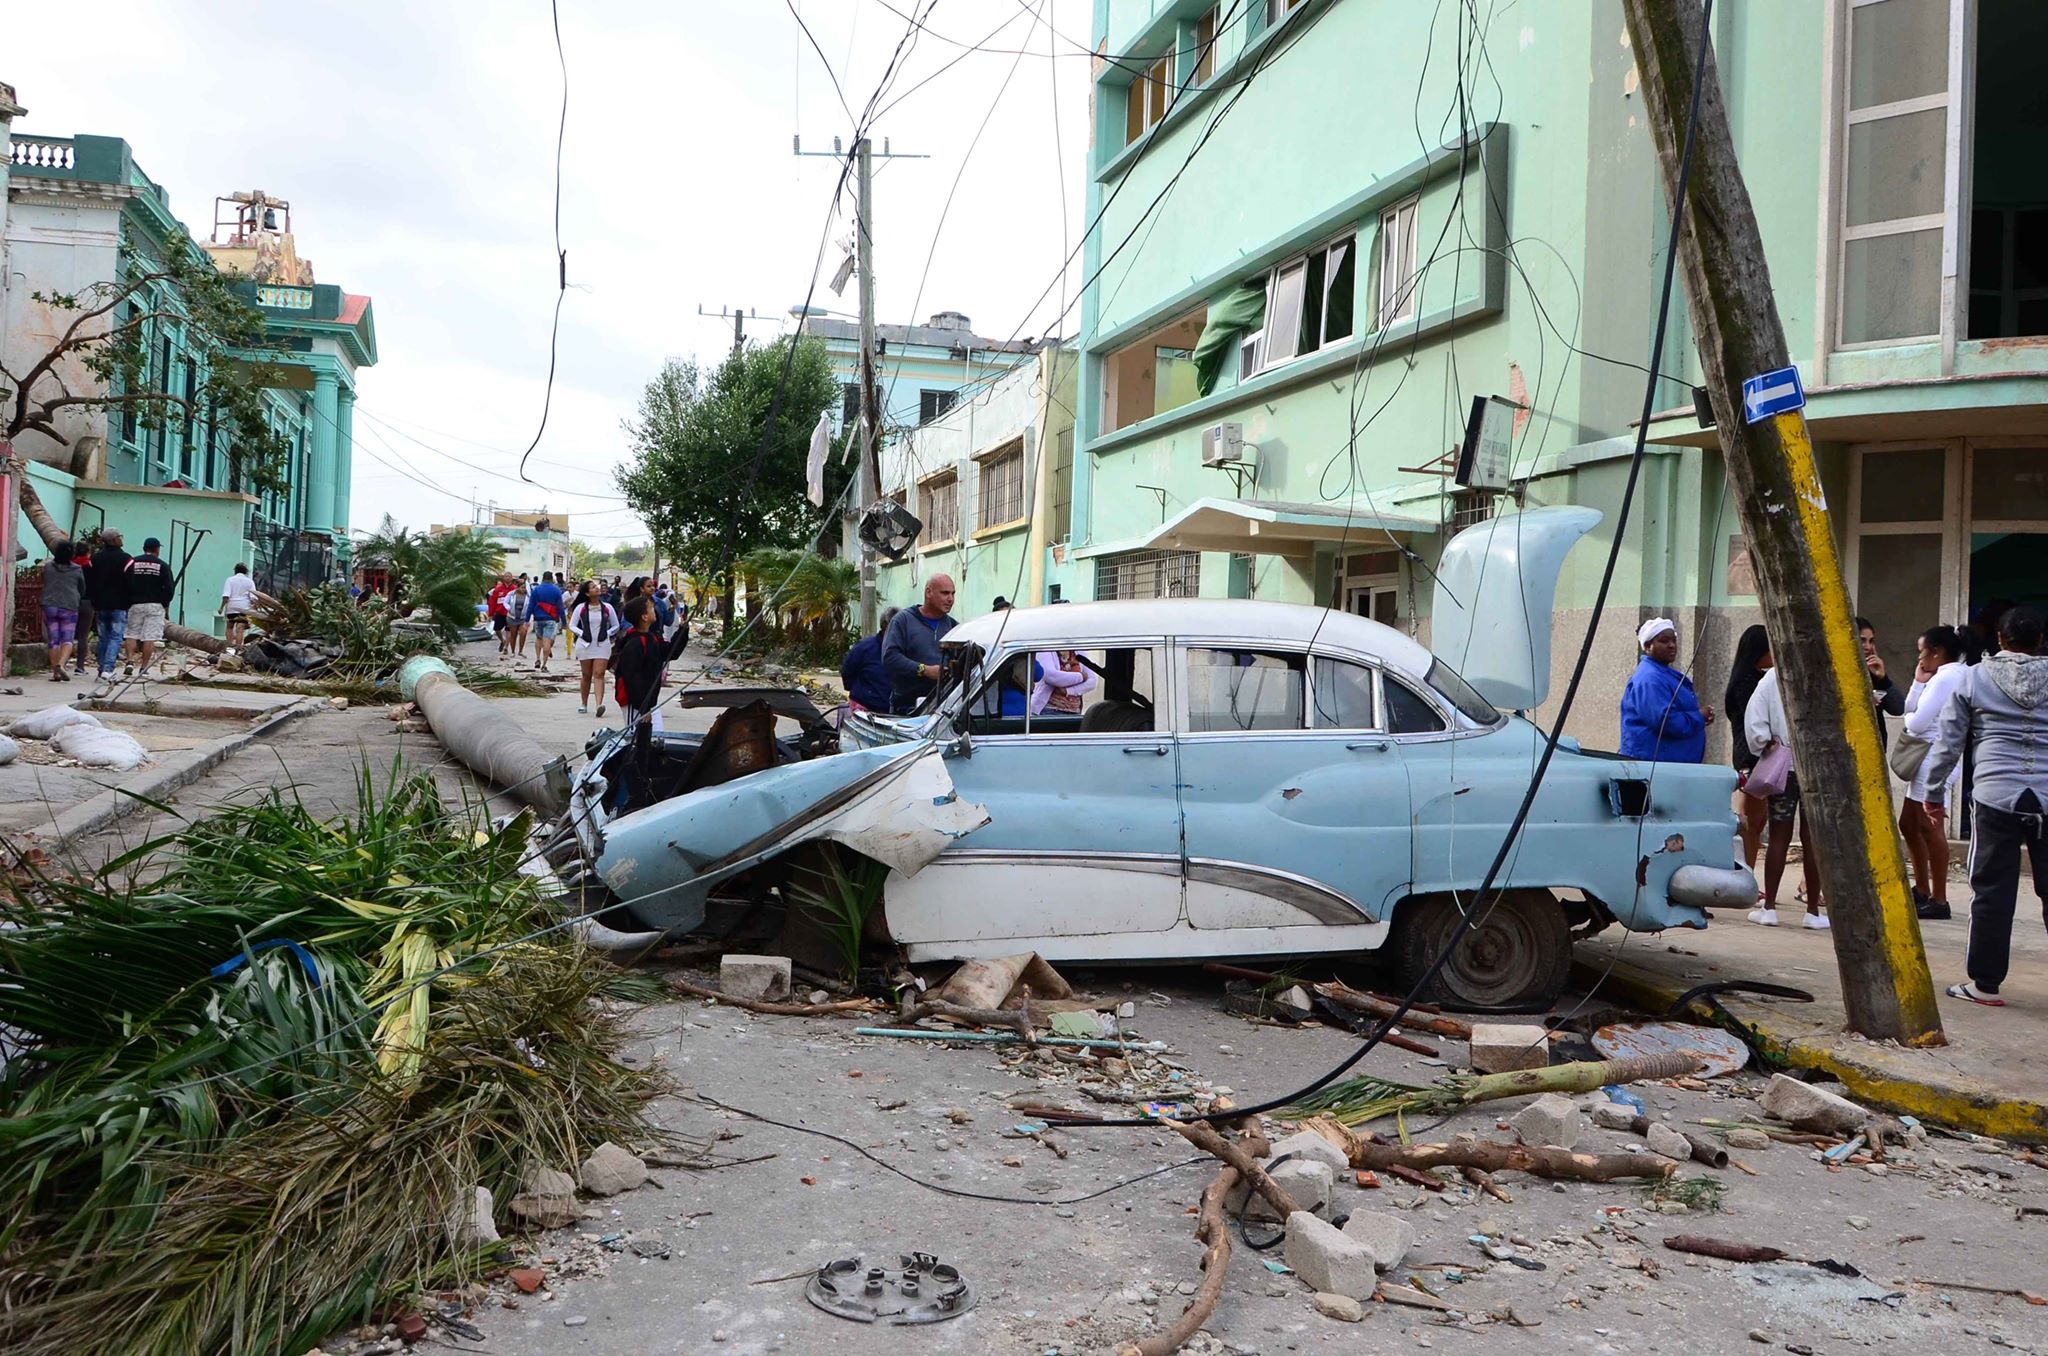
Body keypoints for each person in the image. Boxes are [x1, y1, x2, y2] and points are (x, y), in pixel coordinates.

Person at [1923, 605, 2048, 1006]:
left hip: (1995, 794)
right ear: (2040, 641)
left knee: (1991, 891)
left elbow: (1949, 740)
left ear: (2000, 638)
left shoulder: (1975, 678)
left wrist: (1934, 790)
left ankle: (1985, 984)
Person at [1743, 660, 1826, 929]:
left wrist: (1765, 743)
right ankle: (1813, 911)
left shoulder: (1771, 679)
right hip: (1817, 765)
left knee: (1779, 834)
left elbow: (1754, 717)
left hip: (1784, 765)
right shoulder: (1824, 674)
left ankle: (1769, 908)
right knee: (1813, 837)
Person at [1899, 625, 1968, 921]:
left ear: (1937, 652)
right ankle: (1923, 889)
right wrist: (1917, 684)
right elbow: (1913, 708)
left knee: (1929, 826)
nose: (1919, 659)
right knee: (1908, 823)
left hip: (1934, 757)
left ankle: (1938, 898)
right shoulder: (1952, 674)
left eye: (1921, 652)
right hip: (1934, 755)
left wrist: (1909, 717)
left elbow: (1914, 722)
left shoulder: (1947, 676)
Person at [1619, 618, 1713, 762]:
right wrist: (1698, 717)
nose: (1671, 646)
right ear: (1648, 645)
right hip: (1653, 766)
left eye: (1674, 641)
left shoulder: (1663, 674)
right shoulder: (1649, 679)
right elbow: (1665, 721)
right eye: (1664, 641)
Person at [1723, 624, 1773, 877]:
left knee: (1755, 820)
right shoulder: (1747, 683)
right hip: (1752, 758)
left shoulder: (1756, 679)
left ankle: (1745, 872)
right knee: (1751, 821)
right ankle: (1746, 874)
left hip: (1754, 757)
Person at [881, 573, 958, 713]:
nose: (950, 599)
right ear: (929, 592)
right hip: (907, 709)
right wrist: (925, 670)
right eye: (945, 593)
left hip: (943, 710)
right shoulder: (903, 621)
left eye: (953, 594)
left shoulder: (953, 627)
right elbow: (890, 657)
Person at [611, 594, 690, 729]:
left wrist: (683, 630)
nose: (655, 611)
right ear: (644, 617)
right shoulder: (634, 644)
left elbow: (670, 652)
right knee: (637, 740)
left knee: (655, 739)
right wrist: (642, 708)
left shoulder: (651, 638)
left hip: (648, 701)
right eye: (652, 609)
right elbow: (632, 679)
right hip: (634, 702)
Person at [122, 536, 177, 678]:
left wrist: (127, 601)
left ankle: (129, 662)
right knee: (149, 637)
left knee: (131, 633)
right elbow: (170, 588)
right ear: (157, 550)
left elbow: (123, 582)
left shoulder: (132, 562)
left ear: (144, 548)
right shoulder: (162, 565)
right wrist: (164, 603)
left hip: (135, 604)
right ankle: (143, 668)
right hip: (155, 605)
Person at [567, 579, 620, 716]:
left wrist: (607, 633)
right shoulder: (581, 608)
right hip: (585, 645)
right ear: (587, 593)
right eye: (592, 587)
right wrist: (582, 633)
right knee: (586, 675)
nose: (596, 588)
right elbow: (572, 625)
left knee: (599, 674)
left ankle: (599, 704)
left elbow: (616, 625)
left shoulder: (607, 607)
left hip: (602, 645)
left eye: (596, 586)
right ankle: (584, 703)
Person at [87, 529, 133, 682]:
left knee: (103, 637)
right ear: (113, 540)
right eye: (119, 537)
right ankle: (108, 669)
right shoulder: (126, 559)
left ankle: (101, 670)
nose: (121, 539)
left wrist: (94, 600)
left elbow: (89, 582)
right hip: (119, 605)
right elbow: (130, 582)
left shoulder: (95, 559)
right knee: (115, 637)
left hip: (100, 604)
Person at [1857, 616, 1907, 750]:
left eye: (1871, 641)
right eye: (1862, 640)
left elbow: (1898, 709)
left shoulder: (1874, 673)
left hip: (1873, 749)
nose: (1867, 646)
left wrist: (1882, 678)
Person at [40, 542, 86, 682]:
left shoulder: (47, 567)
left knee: (53, 640)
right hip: (69, 606)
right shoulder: (77, 569)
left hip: (50, 605)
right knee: (67, 639)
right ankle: (61, 664)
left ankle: (55, 673)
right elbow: (82, 587)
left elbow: (44, 580)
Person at [839, 608, 898, 712]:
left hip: (896, 714)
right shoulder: (863, 648)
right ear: (885, 625)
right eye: (898, 625)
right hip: (864, 710)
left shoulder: (907, 650)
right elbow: (847, 673)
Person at [1032, 649, 1096, 715]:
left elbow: (1092, 681)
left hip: (1075, 711)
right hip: (1049, 710)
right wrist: (1081, 677)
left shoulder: (1079, 651)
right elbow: (1051, 676)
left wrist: (1067, 691)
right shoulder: (1046, 650)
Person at [527, 571, 566, 673]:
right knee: (547, 640)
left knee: (539, 638)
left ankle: (537, 659)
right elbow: (560, 607)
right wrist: (564, 622)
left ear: (543, 578)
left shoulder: (536, 590)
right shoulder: (556, 590)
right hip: (550, 618)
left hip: (538, 618)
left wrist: (526, 619)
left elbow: (531, 605)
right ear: (552, 578)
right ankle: (544, 664)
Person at [220, 563, 258, 651]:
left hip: (232, 607)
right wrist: (254, 609)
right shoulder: (249, 581)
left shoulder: (230, 580)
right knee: (240, 629)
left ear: (235, 571)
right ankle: (237, 648)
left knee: (229, 627)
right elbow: (253, 598)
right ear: (246, 572)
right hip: (244, 608)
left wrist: (221, 607)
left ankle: (229, 648)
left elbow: (226, 596)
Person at [73, 543, 96, 675]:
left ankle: (60, 663)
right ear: (88, 553)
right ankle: (80, 666)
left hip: (71, 602)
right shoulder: (90, 566)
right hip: (87, 602)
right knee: (83, 635)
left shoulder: (70, 565)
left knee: (67, 634)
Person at [506, 576, 533, 662]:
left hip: (523, 617)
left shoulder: (528, 596)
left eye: (524, 588)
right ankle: (513, 651)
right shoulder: (511, 594)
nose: (524, 589)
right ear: (517, 587)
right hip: (512, 616)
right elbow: (505, 602)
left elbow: (530, 605)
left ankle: (520, 651)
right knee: (513, 635)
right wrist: (509, 608)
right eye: (522, 588)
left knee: (523, 633)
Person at [487, 575, 516, 655]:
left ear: (511, 578)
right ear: (504, 578)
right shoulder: (498, 589)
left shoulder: (514, 589)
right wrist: (490, 613)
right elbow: (492, 602)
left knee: (508, 630)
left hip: (510, 613)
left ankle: (506, 647)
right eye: (506, 576)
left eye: (509, 576)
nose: (507, 578)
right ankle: (502, 641)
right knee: (496, 629)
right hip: (499, 612)